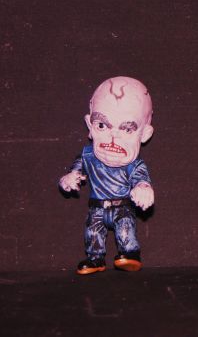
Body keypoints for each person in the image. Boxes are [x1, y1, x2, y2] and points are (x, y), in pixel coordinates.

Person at [59, 76, 155, 275]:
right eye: (102, 125)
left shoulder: (134, 165)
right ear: (90, 126)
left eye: (127, 129)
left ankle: (130, 254)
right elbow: (74, 170)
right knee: (93, 232)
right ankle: (95, 258)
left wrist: (143, 188)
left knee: (125, 231)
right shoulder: (88, 156)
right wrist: (68, 179)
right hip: (97, 207)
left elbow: (141, 179)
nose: (113, 137)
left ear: (144, 134)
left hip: (123, 207)